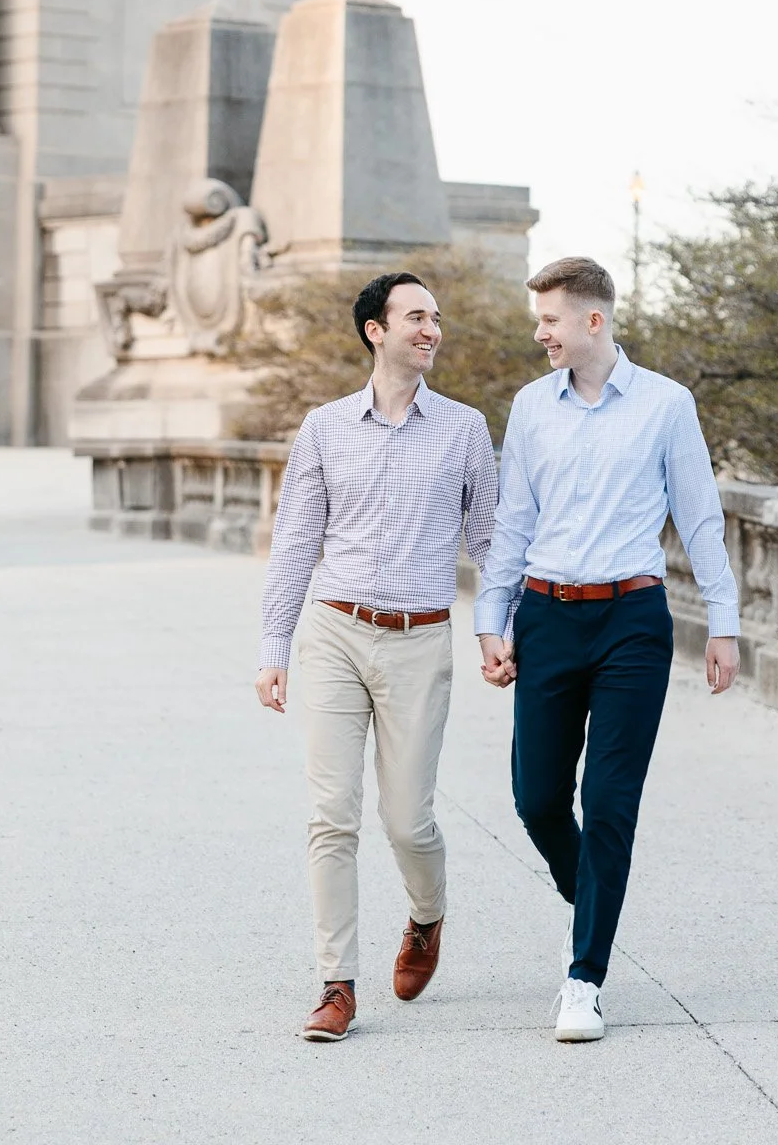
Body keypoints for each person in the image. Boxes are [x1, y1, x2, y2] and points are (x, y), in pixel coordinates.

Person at [475, 255, 740, 1043]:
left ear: (594, 320)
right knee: (537, 800)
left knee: (612, 804)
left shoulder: (666, 405)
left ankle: (583, 977)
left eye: (550, 319)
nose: (539, 333)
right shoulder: (531, 407)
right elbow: (512, 522)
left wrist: (722, 622)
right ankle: (594, 901)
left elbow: (700, 520)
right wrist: (494, 618)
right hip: (548, 616)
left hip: (633, 620)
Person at [257, 271, 498, 1042]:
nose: (433, 330)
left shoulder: (464, 430)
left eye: (438, 318)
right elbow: (295, 540)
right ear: (376, 330)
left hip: (420, 640)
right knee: (331, 815)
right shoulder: (324, 427)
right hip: (333, 630)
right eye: (417, 317)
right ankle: (337, 983)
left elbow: (492, 542)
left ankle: (426, 917)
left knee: (408, 821)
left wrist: (499, 629)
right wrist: (274, 646)